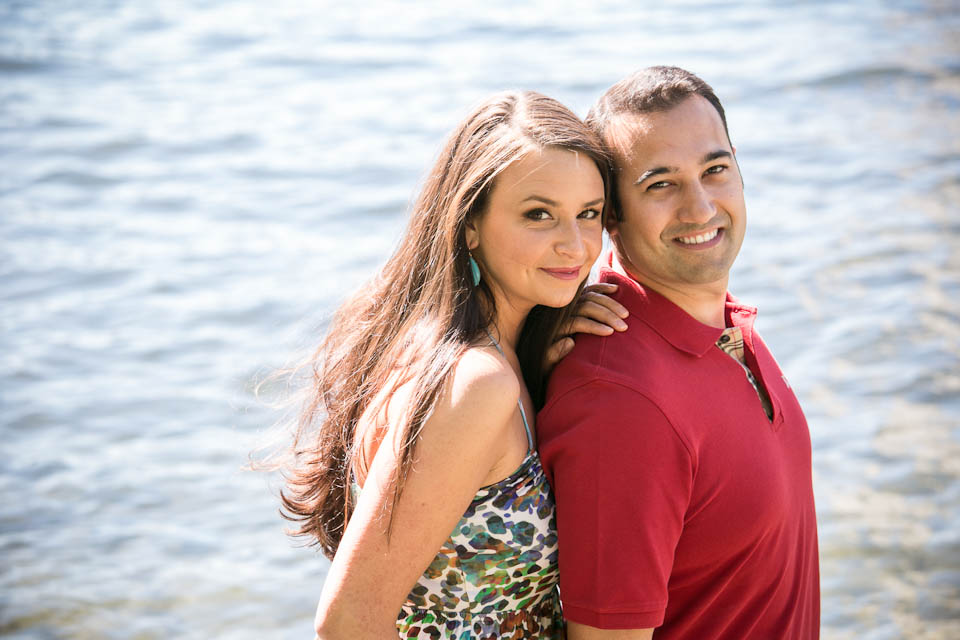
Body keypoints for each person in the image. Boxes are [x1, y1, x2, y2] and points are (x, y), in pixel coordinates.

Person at [281, 90, 616, 639]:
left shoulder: (445, 345)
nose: (575, 245)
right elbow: (347, 623)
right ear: (469, 225)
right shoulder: (474, 384)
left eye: (589, 214)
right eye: (539, 215)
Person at [537, 66, 821, 639]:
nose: (700, 209)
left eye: (715, 170)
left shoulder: (725, 323)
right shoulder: (617, 401)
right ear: (611, 214)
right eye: (660, 184)